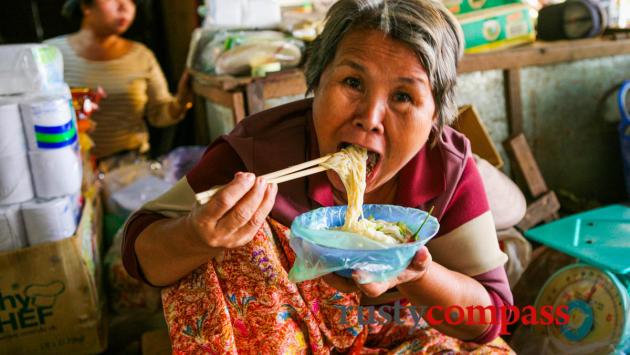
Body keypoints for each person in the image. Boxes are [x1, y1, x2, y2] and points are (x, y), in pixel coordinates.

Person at [122, 0, 515, 352]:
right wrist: (195, 235)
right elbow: (140, 251)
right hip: (283, 336)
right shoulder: (258, 153)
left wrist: (420, 274)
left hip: (404, 330)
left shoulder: (445, 164)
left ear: (434, 116)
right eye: (353, 82)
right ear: (316, 82)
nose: (370, 118)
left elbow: (491, 316)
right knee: (241, 240)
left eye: (402, 97)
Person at [45, 0, 193, 159]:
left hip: (130, 168)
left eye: (132, 1)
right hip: (70, 167)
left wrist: (182, 100)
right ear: (86, 6)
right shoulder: (49, 54)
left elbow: (159, 113)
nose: (125, 7)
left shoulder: (142, 56)